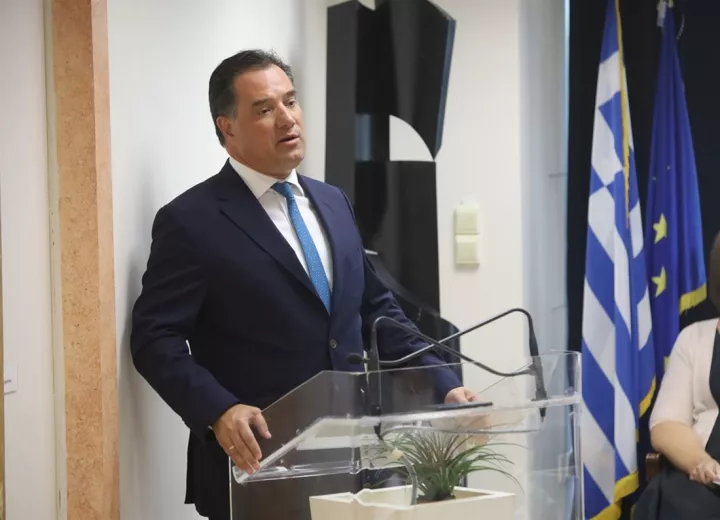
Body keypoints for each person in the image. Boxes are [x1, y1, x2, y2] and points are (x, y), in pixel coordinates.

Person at [130, 49, 475, 520]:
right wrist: (219, 410)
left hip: (353, 464)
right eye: (264, 109)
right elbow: (154, 338)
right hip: (257, 470)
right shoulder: (191, 221)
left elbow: (377, 311)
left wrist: (444, 385)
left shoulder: (333, 202)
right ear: (227, 127)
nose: (287, 118)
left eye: (290, 101)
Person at [635, 233, 720, 519]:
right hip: (705, 476)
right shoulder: (694, 339)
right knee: (687, 508)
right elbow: (666, 425)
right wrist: (702, 463)